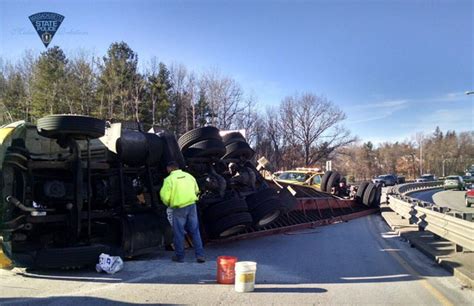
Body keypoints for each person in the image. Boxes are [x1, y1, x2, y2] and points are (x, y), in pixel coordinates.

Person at [160, 161, 205, 263]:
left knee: (179, 233)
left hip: (179, 208)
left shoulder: (169, 180)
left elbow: (164, 196)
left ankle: (180, 257)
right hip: (192, 205)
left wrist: (169, 203)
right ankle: (200, 256)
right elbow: (197, 190)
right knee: (195, 231)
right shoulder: (189, 176)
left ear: (169, 169)